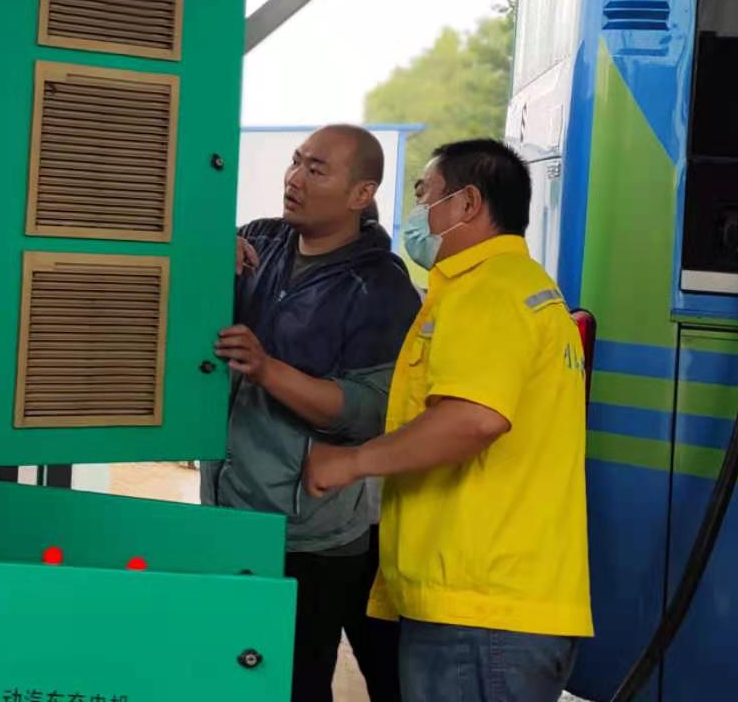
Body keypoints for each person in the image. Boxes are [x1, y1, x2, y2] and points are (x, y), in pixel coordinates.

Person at [303, 139, 590, 702]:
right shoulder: (520, 288)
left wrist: (352, 462)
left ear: (467, 204)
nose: (418, 214)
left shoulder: (488, 291)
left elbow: (474, 418)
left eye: (424, 196)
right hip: (495, 607)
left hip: (480, 610)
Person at [208, 124, 421, 702]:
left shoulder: (380, 287)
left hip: (312, 534)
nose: (294, 178)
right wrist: (205, 249)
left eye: (316, 169)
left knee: (296, 681)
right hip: (232, 513)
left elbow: (368, 412)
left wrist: (266, 368)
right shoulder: (259, 241)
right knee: (236, 676)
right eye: (296, 161)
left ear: (361, 194)